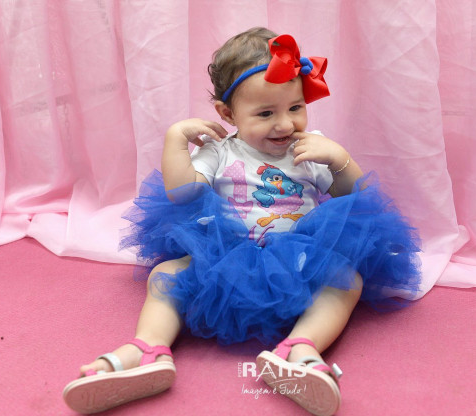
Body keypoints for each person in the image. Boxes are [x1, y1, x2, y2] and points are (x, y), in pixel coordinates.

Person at [63, 27, 421, 416]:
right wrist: (175, 139)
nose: (284, 124)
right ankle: (148, 349)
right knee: (166, 275)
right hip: (225, 263)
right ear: (227, 114)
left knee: (345, 279)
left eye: (295, 107)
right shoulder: (219, 151)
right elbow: (181, 193)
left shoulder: (309, 147)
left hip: (300, 263)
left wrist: (340, 159)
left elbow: (359, 196)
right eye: (266, 113)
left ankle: (299, 350)